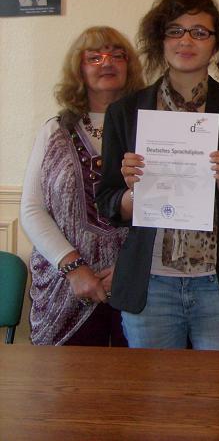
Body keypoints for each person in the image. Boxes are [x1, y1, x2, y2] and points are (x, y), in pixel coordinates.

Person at [96, 0, 219, 350]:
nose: (186, 41)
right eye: (175, 30)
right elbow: (108, 203)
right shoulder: (125, 112)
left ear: (216, 43)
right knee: (157, 405)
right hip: (151, 285)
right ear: (160, 39)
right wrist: (132, 192)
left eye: (199, 32)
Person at [21, 26, 144, 345]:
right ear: (79, 68)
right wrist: (73, 267)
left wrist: (129, 268)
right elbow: (32, 210)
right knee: (65, 389)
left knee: (133, 387)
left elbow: (164, 209)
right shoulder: (55, 131)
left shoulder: (150, 128)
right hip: (64, 286)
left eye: (118, 55)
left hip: (135, 284)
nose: (108, 62)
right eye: (95, 57)